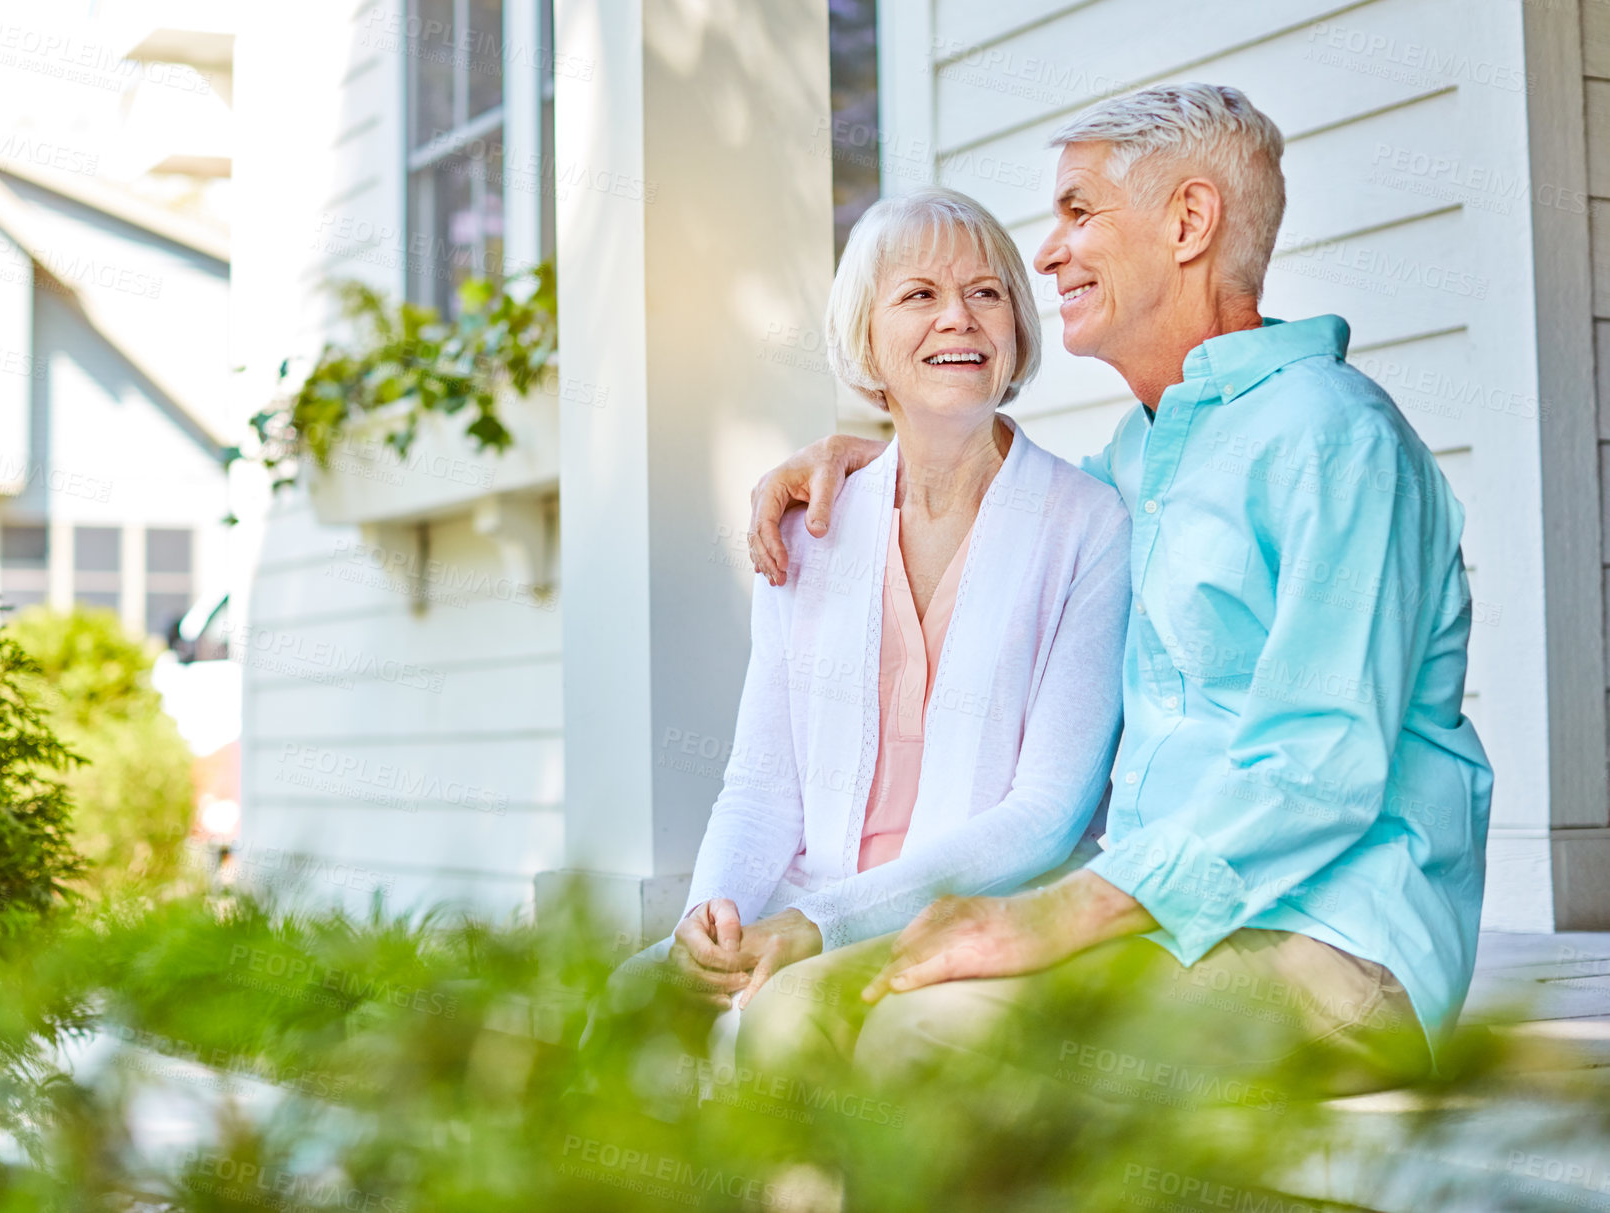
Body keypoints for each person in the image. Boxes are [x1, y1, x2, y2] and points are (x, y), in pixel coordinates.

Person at [740, 83, 1491, 1100]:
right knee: (792, 1011)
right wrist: (874, 456)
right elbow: (998, 503)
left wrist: (1049, 916)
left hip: (1328, 946)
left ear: (1188, 224)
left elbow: (1319, 766)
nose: (1046, 253)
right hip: (1161, 930)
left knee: (924, 1035)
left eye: (1079, 211)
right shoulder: (1137, 462)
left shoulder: (1335, 438)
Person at [610, 187, 1131, 1033]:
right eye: (919, 295)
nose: (957, 318)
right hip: (798, 909)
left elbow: (1045, 817)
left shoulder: (1088, 525)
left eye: (985, 293)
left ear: (1017, 329)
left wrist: (822, 925)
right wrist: (710, 922)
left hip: (967, 921)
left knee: (781, 1024)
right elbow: (760, 786)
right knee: (634, 1001)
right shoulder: (808, 527)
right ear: (866, 342)